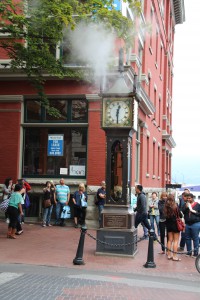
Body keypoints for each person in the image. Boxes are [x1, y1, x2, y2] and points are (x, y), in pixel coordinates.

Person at [164, 194, 182, 261]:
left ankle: (169, 255)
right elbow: (180, 215)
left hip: (168, 225)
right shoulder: (175, 206)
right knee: (176, 241)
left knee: (170, 240)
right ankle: (174, 256)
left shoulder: (166, 207)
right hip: (175, 225)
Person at [182, 193, 200, 257]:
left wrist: (194, 211)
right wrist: (186, 207)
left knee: (195, 239)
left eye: (190, 198)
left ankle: (195, 253)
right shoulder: (185, 204)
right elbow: (183, 212)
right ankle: (189, 252)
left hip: (195, 223)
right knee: (187, 238)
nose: (188, 199)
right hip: (187, 224)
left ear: (192, 198)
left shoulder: (197, 205)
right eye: (187, 198)